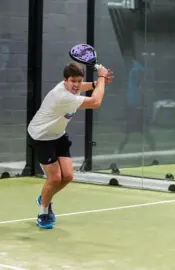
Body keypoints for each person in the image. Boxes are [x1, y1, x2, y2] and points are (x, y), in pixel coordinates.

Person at [28, 62, 112, 229]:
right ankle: (43, 212)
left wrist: (95, 83)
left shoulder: (71, 89)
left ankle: (45, 196)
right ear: (64, 81)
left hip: (58, 135)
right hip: (42, 137)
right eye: (72, 81)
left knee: (68, 176)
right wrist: (101, 77)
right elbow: (96, 102)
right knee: (55, 178)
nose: (76, 85)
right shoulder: (62, 96)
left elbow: (83, 87)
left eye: (79, 81)